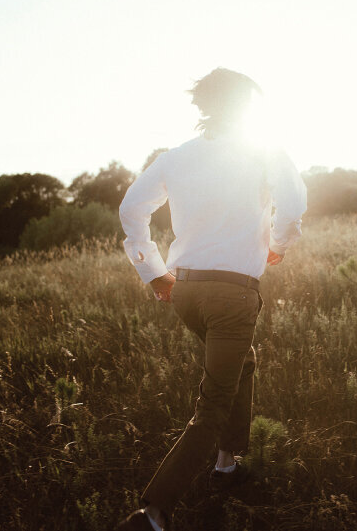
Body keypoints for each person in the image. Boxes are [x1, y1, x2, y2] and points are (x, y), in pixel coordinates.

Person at [115, 68, 307, 531]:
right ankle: (154, 513)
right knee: (214, 402)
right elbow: (294, 204)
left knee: (243, 365)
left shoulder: (175, 157)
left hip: (186, 290)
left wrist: (154, 273)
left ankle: (225, 466)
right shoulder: (265, 149)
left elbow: (130, 210)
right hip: (232, 295)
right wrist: (278, 244)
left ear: (204, 106)